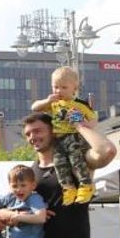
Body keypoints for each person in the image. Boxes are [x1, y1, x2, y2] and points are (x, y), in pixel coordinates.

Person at [30, 66, 99, 205]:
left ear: (75, 88)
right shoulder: (54, 103)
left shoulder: (80, 104)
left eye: (63, 87)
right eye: (55, 87)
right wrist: (47, 101)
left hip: (74, 137)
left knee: (76, 160)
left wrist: (84, 124)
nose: (58, 91)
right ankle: (68, 188)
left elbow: (94, 118)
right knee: (59, 163)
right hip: (59, 139)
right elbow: (35, 107)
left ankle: (86, 185)